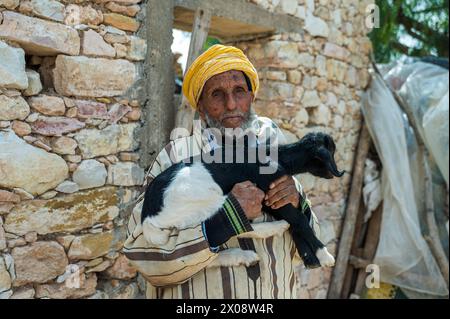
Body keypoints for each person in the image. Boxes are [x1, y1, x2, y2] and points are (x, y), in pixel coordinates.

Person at [124, 44, 321, 299]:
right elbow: (145, 257)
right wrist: (226, 217)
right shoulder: (175, 158)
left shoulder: (272, 150)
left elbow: (308, 249)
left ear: (251, 97)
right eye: (217, 94)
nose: (231, 104)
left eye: (239, 91)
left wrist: (297, 203)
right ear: (201, 106)